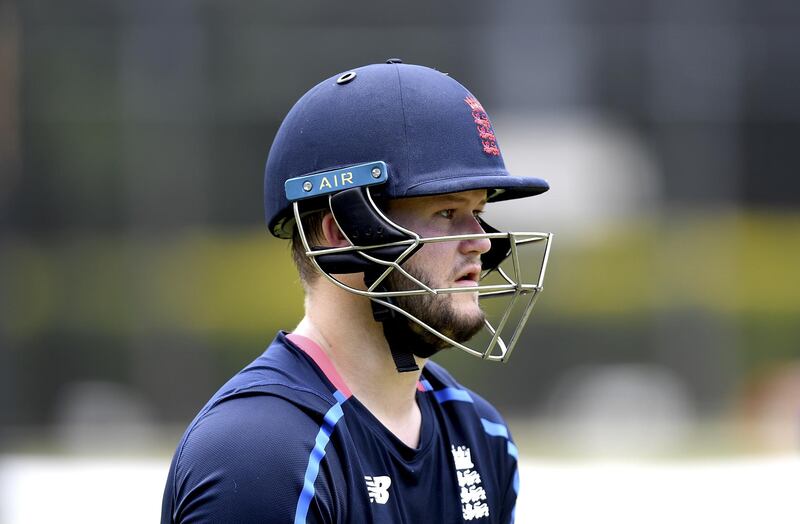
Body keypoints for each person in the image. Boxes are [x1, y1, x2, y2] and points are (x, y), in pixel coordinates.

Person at [161, 59, 552, 524]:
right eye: (447, 212)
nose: (482, 241)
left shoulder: (482, 434)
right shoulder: (261, 455)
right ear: (343, 233)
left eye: (479, 210)